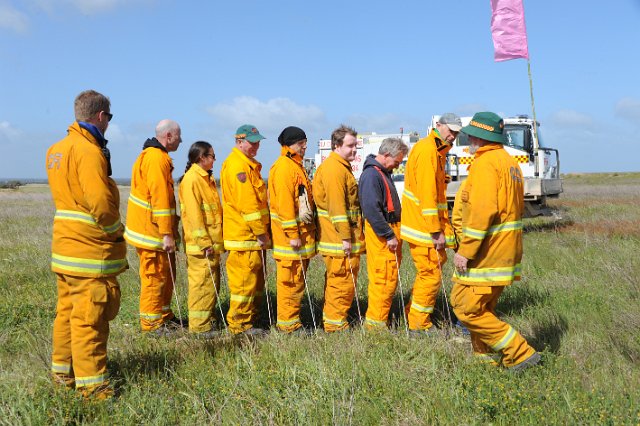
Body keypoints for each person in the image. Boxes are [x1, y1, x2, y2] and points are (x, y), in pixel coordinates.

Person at [46, 90, 127, 399]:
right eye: (109, 118)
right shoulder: (89, 151)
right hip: (90, 251)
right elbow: (100, 203)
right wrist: (115, 230)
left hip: (65, 249)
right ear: (101, 116)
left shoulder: (57, 148)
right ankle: (94, 390)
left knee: (66, 314)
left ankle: (62, 375)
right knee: (89, 320)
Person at [451, 111, 540, 371]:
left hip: (486, 253)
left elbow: (482, 212)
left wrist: (465, 251)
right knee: (482, 308)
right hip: (504, 251)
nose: (467, 139)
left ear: (479, 137)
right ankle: (485, 360)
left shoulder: (486, 164)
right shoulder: (509, 163)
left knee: (465, 308)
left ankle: (520, 353)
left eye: (470, 135)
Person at [400, 113, 462, 336]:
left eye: (456, 133)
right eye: (450, 130)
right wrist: (436, 231)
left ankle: (412, 314)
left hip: (424, 226)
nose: (453, 136)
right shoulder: (428, 151)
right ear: (438, 126)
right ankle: (418, 325)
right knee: (430, 276)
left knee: (429, 274)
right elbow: (427, 196)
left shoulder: (436, 151)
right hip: (424, 229)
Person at [125, 119, 183, 335]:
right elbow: (160, 199)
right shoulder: (156, 159)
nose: (181, 140)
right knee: (154, 277)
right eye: (178, 136)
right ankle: (151, 325)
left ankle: (164, 316)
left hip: (154, 230)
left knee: (166, 275)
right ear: (168, 136)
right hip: (152, 233)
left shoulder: (155, 156)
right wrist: (167, 233)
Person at [312, 125, 365, 332]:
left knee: (340, 282)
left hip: (339, 238)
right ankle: (335, 327)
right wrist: (346, 238)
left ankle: (334, 320)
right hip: (338, 240)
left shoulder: (339, 166)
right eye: (350, 146)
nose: (354, 150)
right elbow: (337, 207)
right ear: (336, 145)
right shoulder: (334, 169)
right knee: (341, 284)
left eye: (356, 146)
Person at [220, 125, 271, 336]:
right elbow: (248, 206)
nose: (256, 146)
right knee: (243, 284)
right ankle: (239, 326)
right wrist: (261, 233)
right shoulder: (237, 167)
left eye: (258, 141)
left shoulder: (248, 165)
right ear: (239, 141)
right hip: (245, 236)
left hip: (252, 237)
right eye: (252, 142)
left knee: (254, 283)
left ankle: (250, 319)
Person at [268, 126, 317, 334]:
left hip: (300, 237)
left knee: (297, 282)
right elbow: (285, 206)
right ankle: (288, 326)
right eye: (300, 143)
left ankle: (292, 321)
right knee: (289, 283)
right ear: (288, 145)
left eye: (305, 142)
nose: (305, 146)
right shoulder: (284, 168)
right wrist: (293, 235)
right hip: (290, 240)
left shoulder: (295, 165)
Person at [359, 138, 408, 329]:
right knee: (383, 281)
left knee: (388, 280)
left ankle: (380, 321)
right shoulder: (372, 175)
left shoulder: (381, 172)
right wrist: (388, 234)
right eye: (396, 161)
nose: (397, 166)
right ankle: (375, 328)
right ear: (386, 155)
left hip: (386, 234)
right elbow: (371, 209)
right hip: (382, 237)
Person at [178, 141, 224, 339]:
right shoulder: (192, 180)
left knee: (211, 284)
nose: (214, 159)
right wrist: (204, 243)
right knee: (201, 286)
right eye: (212, 156)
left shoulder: (205, 178)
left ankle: (207, 321)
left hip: (211, 245)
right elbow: (195, 217)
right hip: (201, 247)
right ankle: (199, 328)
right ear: (201, 158)